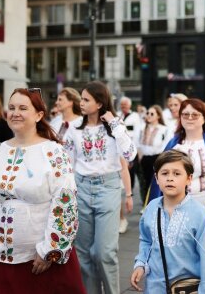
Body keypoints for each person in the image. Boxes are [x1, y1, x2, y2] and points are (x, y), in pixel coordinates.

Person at [0, 88, 86, 294]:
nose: (15, 112)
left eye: (22, 108)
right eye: (11, 108)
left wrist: (50, 251)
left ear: (39, 115)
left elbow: (65, 202)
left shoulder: (53, 151)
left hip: (37, 261)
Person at [63, 81, 136, 294]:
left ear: (99, 103)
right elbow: (66, 164)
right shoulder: (74, 129)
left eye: (86, 99)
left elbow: (130, 155)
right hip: (81, 187)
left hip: (108, 187)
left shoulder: (116, 127)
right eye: (81, 99)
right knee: (83, 253)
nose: (81, 103)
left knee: (105, 253)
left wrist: (114, 124)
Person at [131, 150, 205, 292]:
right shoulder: (151, 208)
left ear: (189, 179)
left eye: (177, 174)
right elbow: (146, 240)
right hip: (155, 287)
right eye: (164, 173)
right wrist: (140, 264)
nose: (170, 178)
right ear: (156, 177)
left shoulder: (200, 214)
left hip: (187, 288)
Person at [149, 99, 205, 206]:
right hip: (175, 204)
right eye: (185, 114)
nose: (189, 118)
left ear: (204, 118)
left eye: (195, 115)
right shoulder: (173, 144)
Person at [118, 96, 144, 234]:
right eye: (121, 104)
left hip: (130, 150)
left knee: (134, 177)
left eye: (125, 104)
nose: (123, 106)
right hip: (120, 152)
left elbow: (136, 136)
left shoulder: (135, 117)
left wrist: (133, 155)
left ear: (129, 105)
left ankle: (132, 195)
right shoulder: (117, 115)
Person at [137, 105, 169, 206]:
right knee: (144, 182)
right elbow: (137, 143)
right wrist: (140, 156)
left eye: (152, 114)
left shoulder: (163, 129)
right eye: (148, 113)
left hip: (157, 157)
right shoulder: (142, 127)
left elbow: (165, 144)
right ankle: (145, 204)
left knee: (155, 182)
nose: (149, 116)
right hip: (144, 158)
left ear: (158, 116)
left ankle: (155, 203)